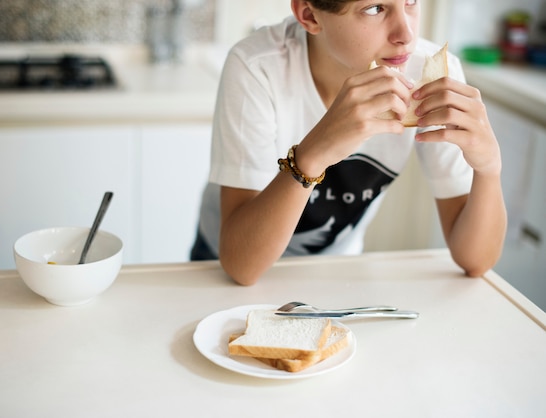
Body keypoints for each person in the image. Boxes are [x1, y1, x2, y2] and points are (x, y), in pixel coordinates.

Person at [191, 0, 507, 286]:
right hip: (225, 264)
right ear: (309, 15)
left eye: (410, 2)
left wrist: (489, 168)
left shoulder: (433, 75)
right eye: (374, 8)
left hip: (337, 269)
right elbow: (241, 267)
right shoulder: (257, 66)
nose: (406, 34)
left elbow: (476, 261)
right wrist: (311, 156)